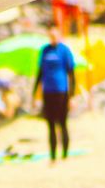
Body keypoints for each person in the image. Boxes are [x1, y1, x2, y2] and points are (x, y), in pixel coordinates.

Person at [32, 26, 76, 162]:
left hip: (62, 92)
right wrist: (34, 93)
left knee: (62, 123)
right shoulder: (45, 50)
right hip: (48, 92)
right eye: (51, 35)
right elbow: (39, 73)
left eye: (55, 35)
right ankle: (52, 156)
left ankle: (65, 155)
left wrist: (72, 97)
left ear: (59, 35)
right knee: (50, 124)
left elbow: (72, 75)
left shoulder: (65, 50)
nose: (53, 38)